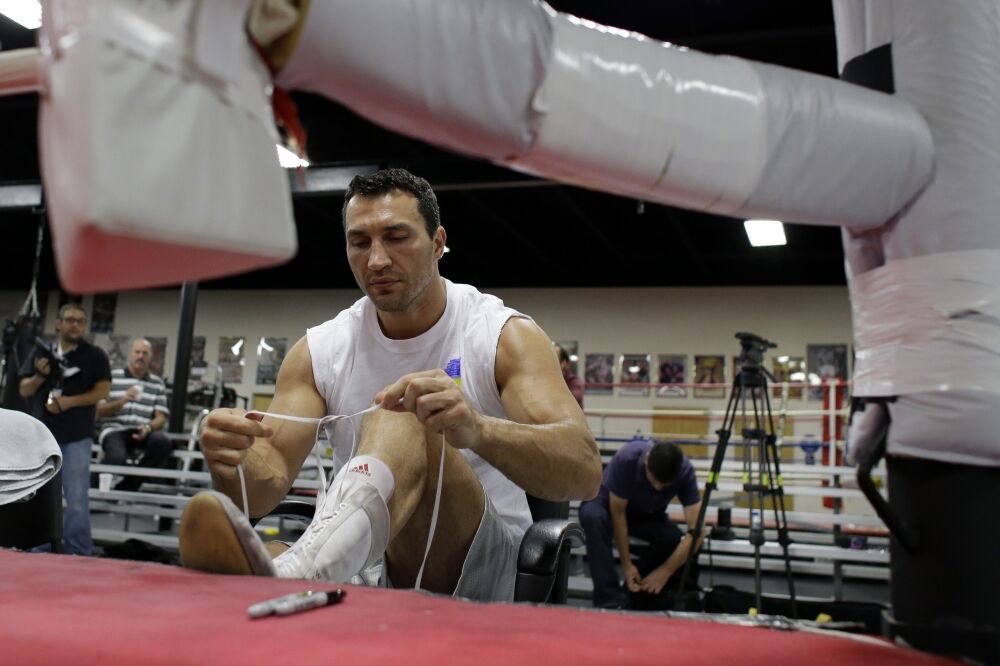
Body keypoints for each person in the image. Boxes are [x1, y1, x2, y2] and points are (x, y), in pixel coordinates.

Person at [179, 168, 602, 601]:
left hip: (479, 566)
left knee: (406, 414)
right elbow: (261, 492)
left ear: (437, 243)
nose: (377, 260)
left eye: (396, 237)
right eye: (360, 242)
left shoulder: (502, 336)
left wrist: (477, 429)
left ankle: (303, 571)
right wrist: (234, 459)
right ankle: (293, 571)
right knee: (250, 577)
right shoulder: (320, 350)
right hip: (362, 561)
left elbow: (585, 472)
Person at [18, 304, 111, 555]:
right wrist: (39, 377)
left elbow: (103, 391)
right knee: (40, 496)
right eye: (70, 319)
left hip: (77, 435)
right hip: (43, 436)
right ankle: (39, 547)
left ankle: (78, 550)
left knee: (77, 498)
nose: (75, 325)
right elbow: (24, 389)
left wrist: (69, 402)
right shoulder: (41, 351)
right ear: (58, 323)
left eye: (81, 321)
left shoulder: (95, 355)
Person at [579, 439, 702, 609]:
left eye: (664, 485)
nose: (658, 488)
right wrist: (627, 565)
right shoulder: (627, 458)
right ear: (647, 461)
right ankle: (609, 599)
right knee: (593, 518)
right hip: (606, 504)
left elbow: (697, 531)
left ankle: (633, 592)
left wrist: (664, 571)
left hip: (645, 512)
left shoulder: (685, 471)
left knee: (672, 537)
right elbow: (618, 514)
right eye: (654, 481)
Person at [96, 338, 173, 492]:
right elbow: (98, 411)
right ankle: (93, 486)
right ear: (130, 354)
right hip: (115, 430)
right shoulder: (112, 377)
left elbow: (161, 418)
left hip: (142, 429)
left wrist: (148, 427)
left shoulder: (157, 383)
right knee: (117, 458)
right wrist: (122, 401)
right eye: (137, 352)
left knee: (163, 442)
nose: (140, 356)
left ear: (150, 358)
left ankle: (127, 486)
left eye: (144, 353)